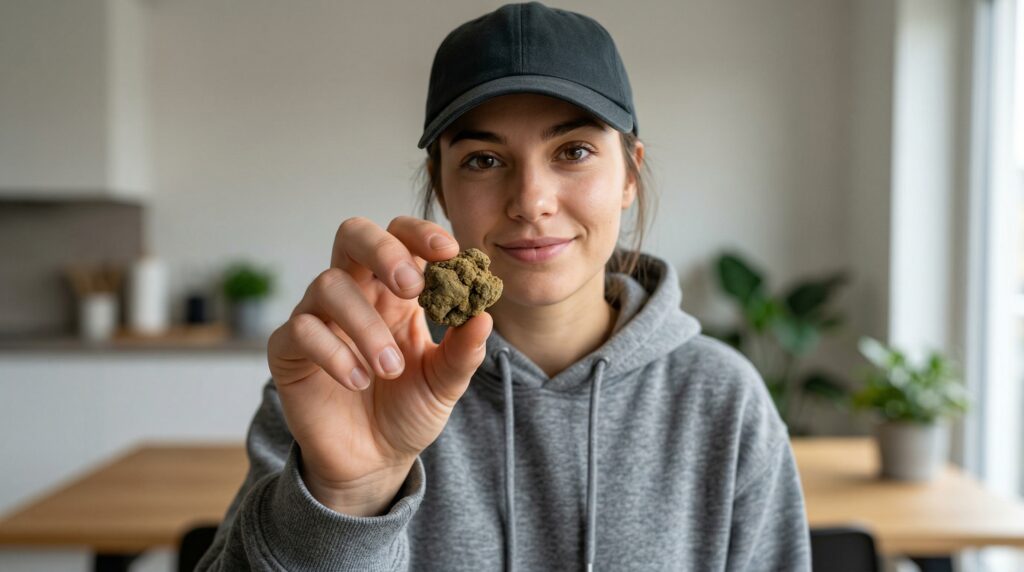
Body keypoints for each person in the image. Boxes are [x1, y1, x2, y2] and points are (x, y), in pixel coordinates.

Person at [196, 3, 811, 571]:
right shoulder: (350, 379)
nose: (530, 201)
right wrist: (346, 497)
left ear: (629, 174)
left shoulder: (723, 403)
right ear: (440, 185)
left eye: (572, 150)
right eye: (484, 160)